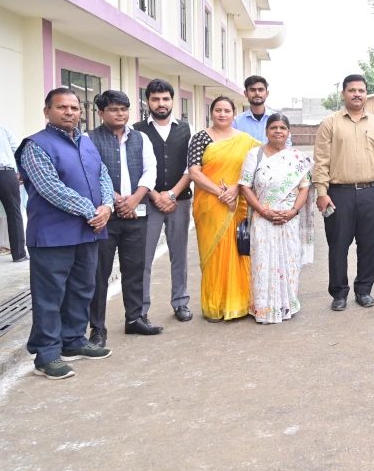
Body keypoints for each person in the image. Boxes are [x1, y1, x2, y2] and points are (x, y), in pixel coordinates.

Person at [16, 88, 114, 379]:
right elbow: (49, 188)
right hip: (52, 235)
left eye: (74, 107)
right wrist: (91, 210)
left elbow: (103, 175)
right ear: (47, 111)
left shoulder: (86, 142)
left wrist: (107, 206)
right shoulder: (35, 145)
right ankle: (47, 355)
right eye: (62, 107)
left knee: (81, 290)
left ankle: (73, 341)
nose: (70, 112)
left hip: (88, 231)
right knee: (50, 297)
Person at [313, 75, 374, 311]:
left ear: (366, 93)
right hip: (339, 194)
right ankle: (339, 293)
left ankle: (364, 290)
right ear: (343, 94)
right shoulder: (330, 123)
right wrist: (322, 192)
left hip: (373, 193)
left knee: (369, 244)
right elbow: (321, 160)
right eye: (352, 90)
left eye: (361, 90)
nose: (357, 94)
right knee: (338, 245)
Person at [86, 91, 160, 347]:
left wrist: (135, 199)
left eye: (124, 109)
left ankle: (135, 319)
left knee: (135, 269)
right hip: (105, 217)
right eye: (114, 109)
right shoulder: (89, 139)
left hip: (136, 213)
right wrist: (117, 200)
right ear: (101, 113)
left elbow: (150, 171)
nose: (120, 114)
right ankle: (97, 329)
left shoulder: (141, 138)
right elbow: (91, 174)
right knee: (99, 273)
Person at [188, 96, 261, 322]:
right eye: (218, 110)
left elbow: (257, 165)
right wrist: (221, 193)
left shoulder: (245, 140)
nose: (222, 114)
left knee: (239, 251)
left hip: (238, 203)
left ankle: (239, 303)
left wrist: (235, 189)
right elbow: (194, 172)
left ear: (233, 114)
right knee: (214, 253)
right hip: (210, 204)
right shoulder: (200, 137)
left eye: (227, 110)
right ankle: (215, 305)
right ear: (211, 112)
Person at [238, 114, 315, 323]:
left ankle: (287, 305)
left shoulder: (298, 158)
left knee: (289, 261)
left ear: (289, 132)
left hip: (289, 219)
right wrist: (263, 211)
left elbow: (304, 187)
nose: (278, 131)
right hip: (263, 217)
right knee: (262, 263)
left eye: (282, 128)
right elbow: (245, 186)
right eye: (273, 127)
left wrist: (293, 211)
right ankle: (263, 308)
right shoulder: (255, 155)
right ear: (266, 131)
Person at [133, 80, 194, 322]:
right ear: (147, 101)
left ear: (172, 101)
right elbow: (136, 167)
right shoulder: (136, 130)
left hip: (180, 200)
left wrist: (172, 194)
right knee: (143, 256)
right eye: (155, 99)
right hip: (147, 201)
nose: (161, 103)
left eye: (165, 99)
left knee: (179, 254)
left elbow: (192, 167)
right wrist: (155, 195)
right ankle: (140, 308)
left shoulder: (187, 129)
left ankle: (180, 302)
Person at [0, 124, 27, 263]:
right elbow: (17, 150)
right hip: (7, 172)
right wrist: (22, 171)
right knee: (14, 213)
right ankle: (19, 254)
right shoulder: (2, 129)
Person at [232, 75, 290, 145]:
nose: (257, 93)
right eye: (252, 90)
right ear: (246, 93)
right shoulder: (236, 122)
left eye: (261, 90)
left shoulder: (278, 120)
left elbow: (287, 144)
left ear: (267, 93)